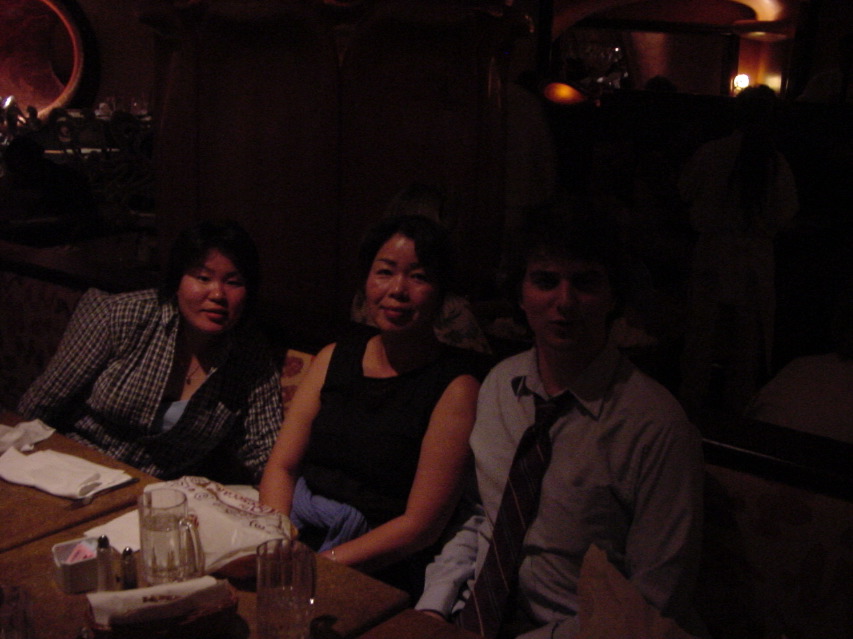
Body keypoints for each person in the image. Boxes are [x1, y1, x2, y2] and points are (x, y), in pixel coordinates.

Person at [415, 208, 707, 638]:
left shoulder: (657, 427)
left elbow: (651, 601)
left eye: (585, 283)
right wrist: (433, 608)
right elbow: (480, 516)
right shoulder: (500, 386)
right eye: (546, 281)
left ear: (613, 295)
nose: (565, 302)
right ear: (520, 294)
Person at [259, 214, 487, 598]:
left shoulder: (456, 388)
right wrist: (277, 542)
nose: (397, 290)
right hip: (298, 531)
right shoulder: (333, 358)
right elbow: (282, 466)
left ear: (442, 293)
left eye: (419, 276)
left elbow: (420, 527)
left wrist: (318, 566)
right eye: (384, 272)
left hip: (380, 564)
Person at [17, 220, 283, 481]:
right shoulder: (122, 315)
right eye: (203, 278)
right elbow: (41, 403)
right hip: (72, 469)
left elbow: (266, 451)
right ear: (177, 280)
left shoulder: (249, 354)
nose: (217, 294)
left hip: (158, 492)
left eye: (233, 282)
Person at [678, 85, 798, 415]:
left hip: (713, 257)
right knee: (745, 354)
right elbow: (786, 216)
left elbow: (684, 191)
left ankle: (690, 418)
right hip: (752, 264)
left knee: (700, 347)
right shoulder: (775, 164)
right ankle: (738, 424)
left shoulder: (711, 154)